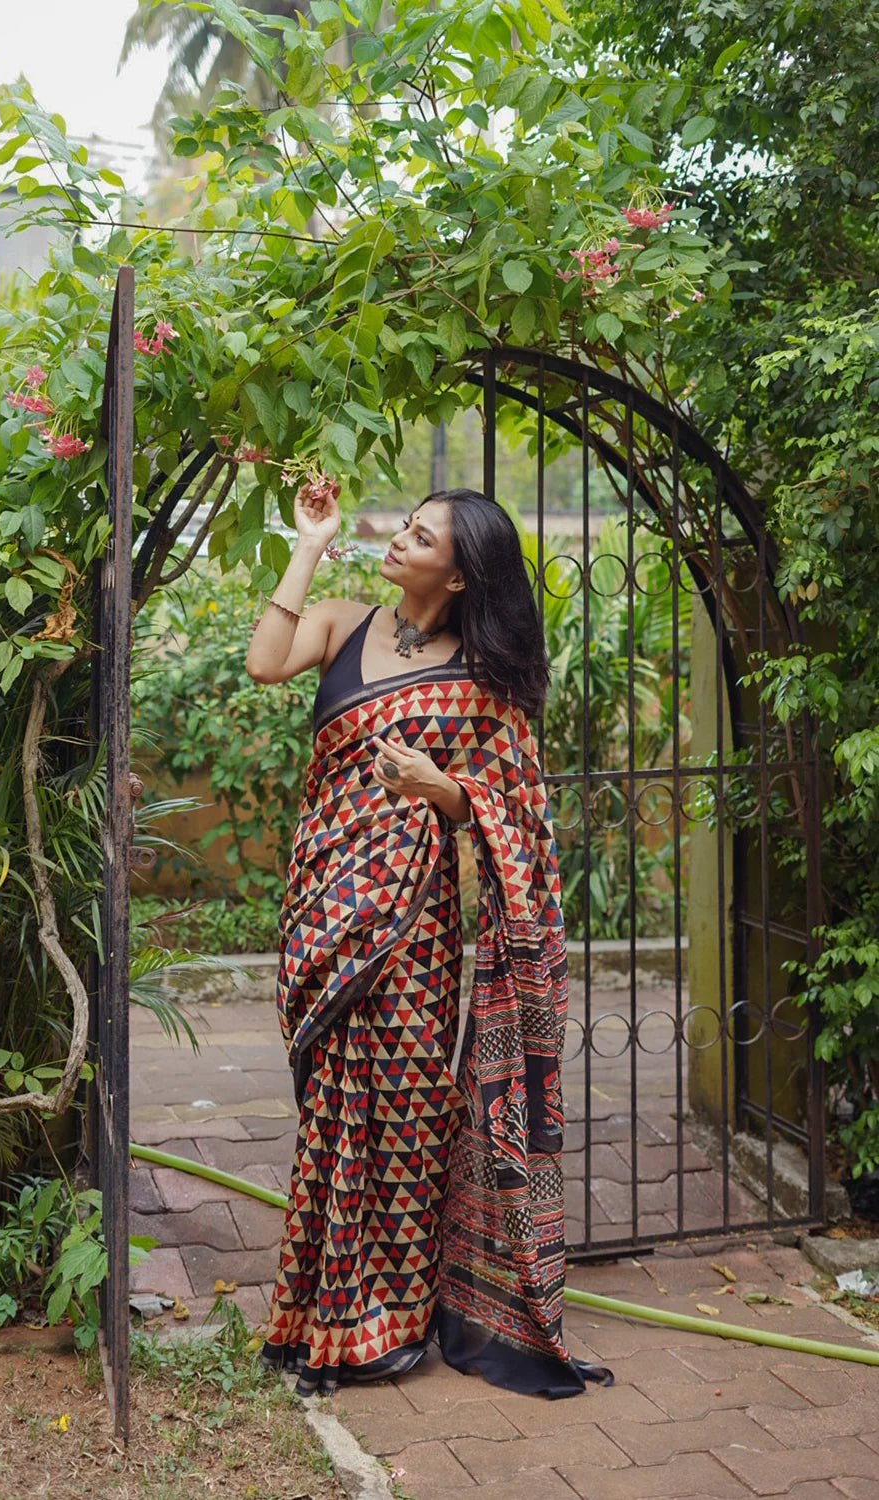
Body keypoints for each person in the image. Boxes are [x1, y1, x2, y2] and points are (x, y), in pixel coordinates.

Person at [246, 485, 610, 1399]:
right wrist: (309, 541)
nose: (398, 541)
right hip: (326, 902)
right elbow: (263, 662)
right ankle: (323, 1311)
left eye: (419, 536)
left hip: (416, 925)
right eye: (403, 526)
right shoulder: (337, 621)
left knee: (406, 1106)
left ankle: (395, 1320)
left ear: (457, 574)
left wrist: (441, 788)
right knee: (333, 1108)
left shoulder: (482, 680)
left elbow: (514, 809)